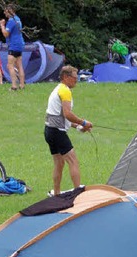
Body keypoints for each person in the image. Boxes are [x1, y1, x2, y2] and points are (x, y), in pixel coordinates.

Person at [44, 65, 93, 196]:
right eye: (74, 78)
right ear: (66, 77)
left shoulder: (58, 89)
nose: (76, 81)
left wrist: (78, 127)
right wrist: (84, 122)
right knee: (73, 161)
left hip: (49, 130)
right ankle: (78, 192)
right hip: (57, 132)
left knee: (59, 163)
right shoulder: (65, 91)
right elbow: (67, 114)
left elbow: (58, 117)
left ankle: (57, 194)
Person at [0, 4, 25, 90]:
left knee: (10, 65)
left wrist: (2, 25)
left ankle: (14, 86)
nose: (4, 12)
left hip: (14, 45)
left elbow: (6, 34)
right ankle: (22, 85)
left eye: (6, 11)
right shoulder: (18, 19)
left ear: (10, 11)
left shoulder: (11, 21)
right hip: (20, 44)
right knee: (19, 65)